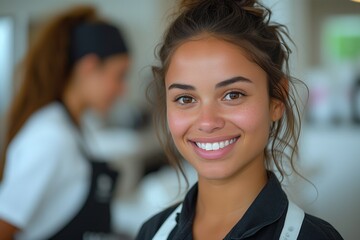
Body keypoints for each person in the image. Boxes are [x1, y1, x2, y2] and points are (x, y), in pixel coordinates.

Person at [136, 0, 343, 239]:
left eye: (233, 95)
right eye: (185, 99)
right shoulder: (152, 232)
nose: (207, 122)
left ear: (276, 100)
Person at [0, 5, 130, 240]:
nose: (123, 89)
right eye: (119, 76)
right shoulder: (50, 136)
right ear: (89, 67)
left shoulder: (74, 126)